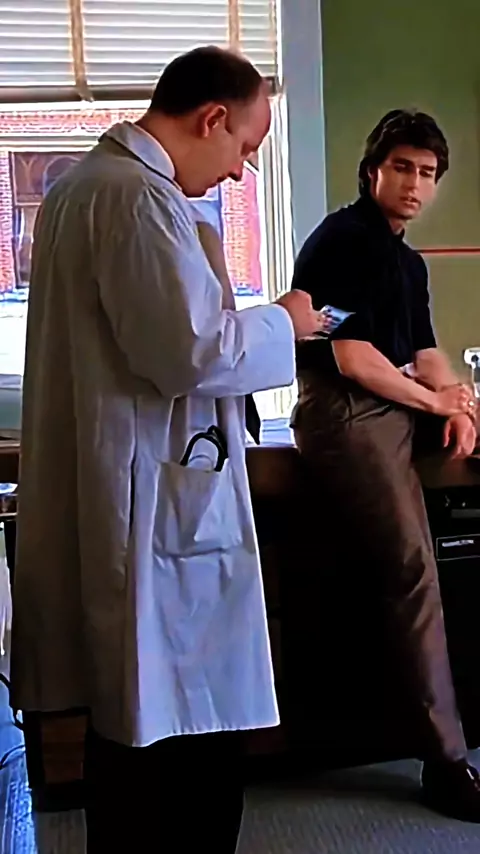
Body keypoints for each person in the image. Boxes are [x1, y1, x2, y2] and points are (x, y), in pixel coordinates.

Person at [10, 46, 322, 852]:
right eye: (245, 146)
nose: (241, 171)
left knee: (144, 726)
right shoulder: (135, 197)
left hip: (136, 489)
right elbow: (189, 350)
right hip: (153, 509)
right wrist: (284, 322)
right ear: (211, 118)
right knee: (171, 743)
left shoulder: (84, 188)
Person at [290, 109, 480, 822]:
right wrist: (436, 404)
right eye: (402, 167)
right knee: (411, 570)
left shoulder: (408, 261)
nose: (414, 184)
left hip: (398, 401)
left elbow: (425, 353)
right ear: (373, 170)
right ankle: (447, 761)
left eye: (427, 173)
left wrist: (459, 405)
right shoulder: (341, 240)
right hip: (346, 411)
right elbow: (353, 358)